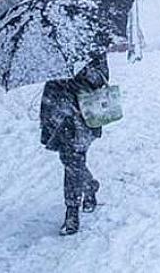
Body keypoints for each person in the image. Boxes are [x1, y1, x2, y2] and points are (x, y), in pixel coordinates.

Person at [40, 55, 109, 236]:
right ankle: (90, 186)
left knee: (73, 161)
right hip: (59, 114)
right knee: (69, 160)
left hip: (83, 115)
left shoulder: (91, 47)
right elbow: (48, 80)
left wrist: (78, 75)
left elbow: (101, 78)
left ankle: (72, 211)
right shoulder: (51, 47)